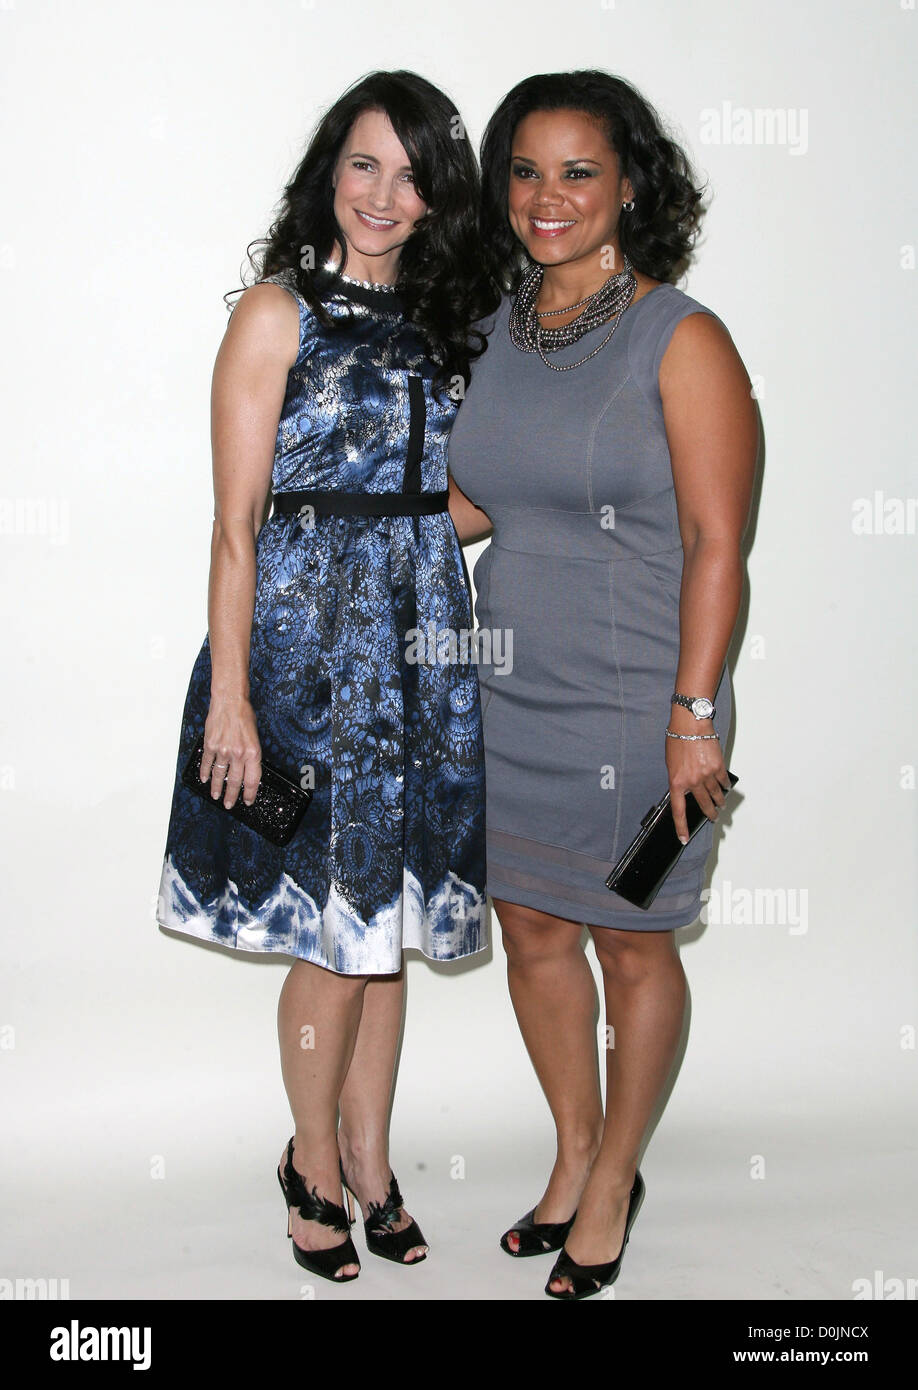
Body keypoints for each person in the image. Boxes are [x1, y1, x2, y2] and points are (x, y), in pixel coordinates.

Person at [155, 70, 498, 1283]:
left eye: (412, 176)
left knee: (385, 925)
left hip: (419, 659)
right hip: (300, 666)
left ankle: (370, 1154)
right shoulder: (275, 313)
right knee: (331, 928)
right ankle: (310, 1160)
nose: (384, 195)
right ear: (329, 171)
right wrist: (234, 698)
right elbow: (237, 525)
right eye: (365, 164)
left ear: (437, 198)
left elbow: (442, 505)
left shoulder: (452, 326)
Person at [448, 70, 758, 1299]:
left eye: (579, 170)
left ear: (631, 183)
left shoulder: (682, 337)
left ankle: (618, 1172)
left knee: (632, 941)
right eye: (525, 170)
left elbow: (719, 542)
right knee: (531, 926)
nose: (548, 197)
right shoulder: (496, 329)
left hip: (644, 715)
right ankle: (574, 1151)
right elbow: (485, 498)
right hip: (510, 692)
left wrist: (694, 721)